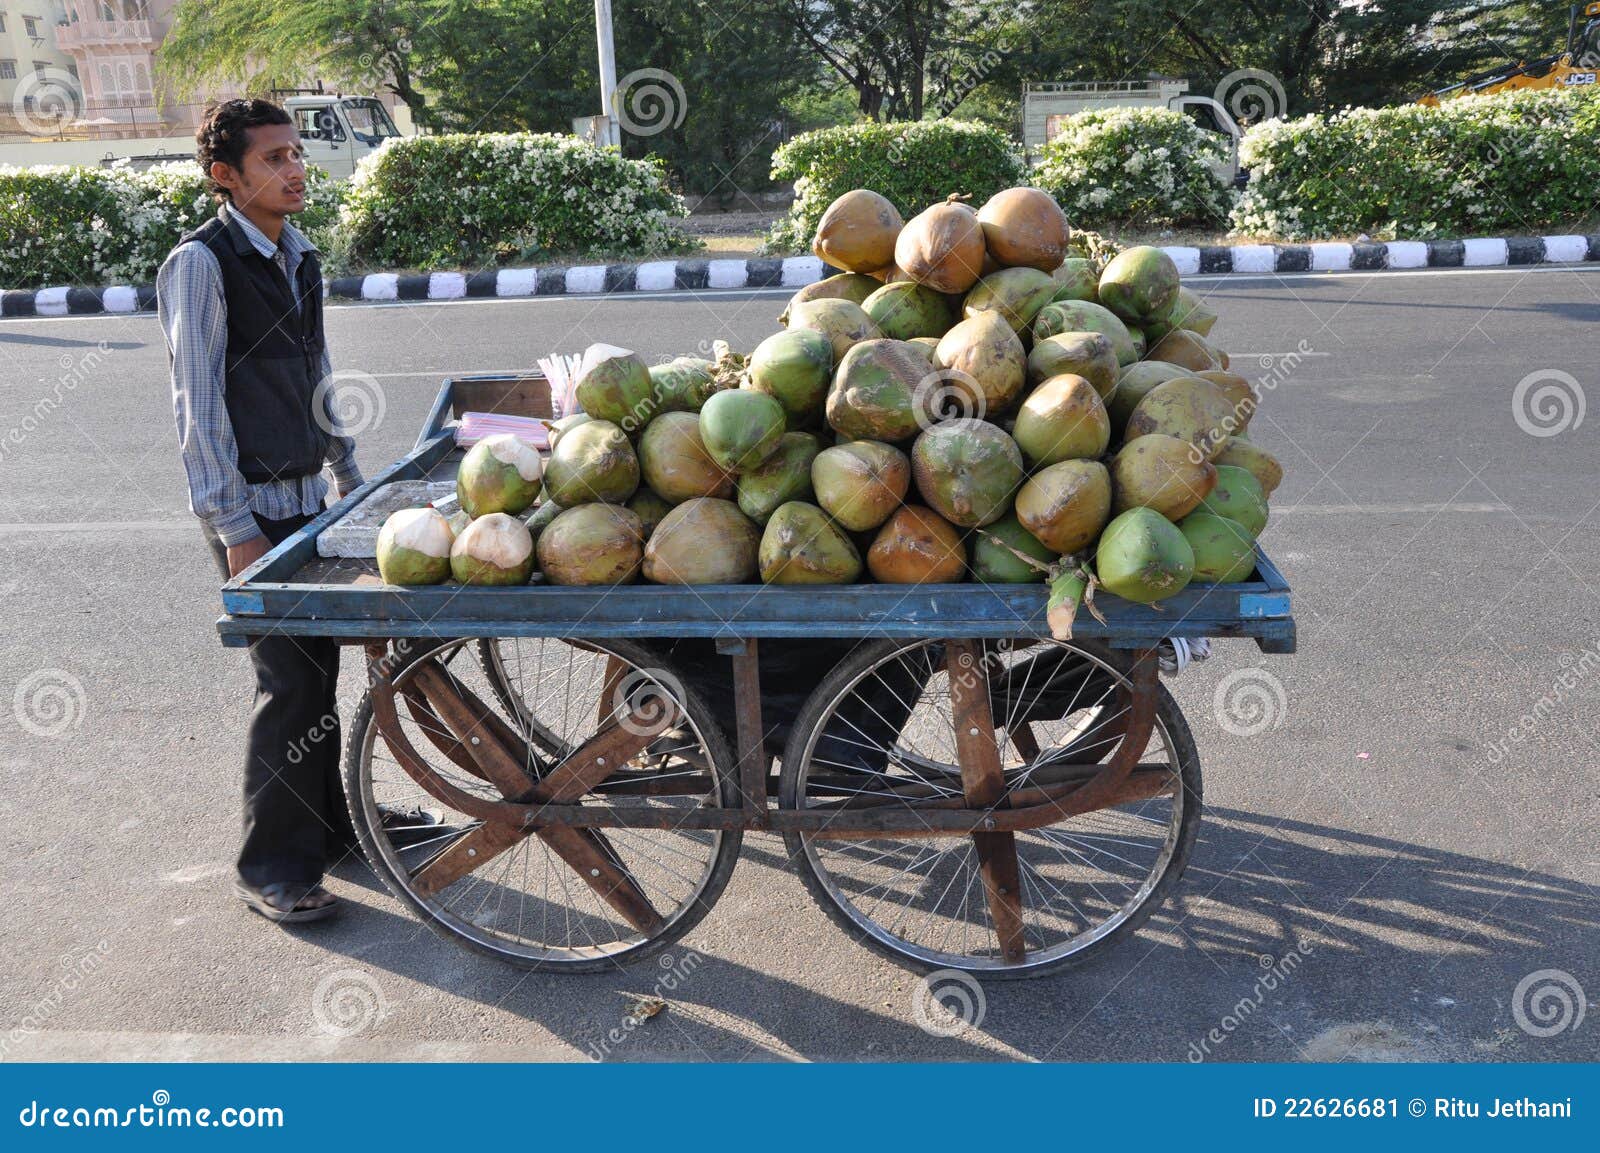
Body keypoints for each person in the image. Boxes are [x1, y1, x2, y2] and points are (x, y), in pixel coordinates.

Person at [159, 98, 434, 925]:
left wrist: (348, 474)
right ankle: (271, 864)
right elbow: (196, 408)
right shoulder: (201, 265)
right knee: (288, 684)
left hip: (307, 500)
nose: (292, 170)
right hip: (251, 510)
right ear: (226, 176)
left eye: (294, 155)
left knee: (321, 671)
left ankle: (336, 830)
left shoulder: (297, 254)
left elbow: (317, 376)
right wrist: (234, 528)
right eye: (272, 158)